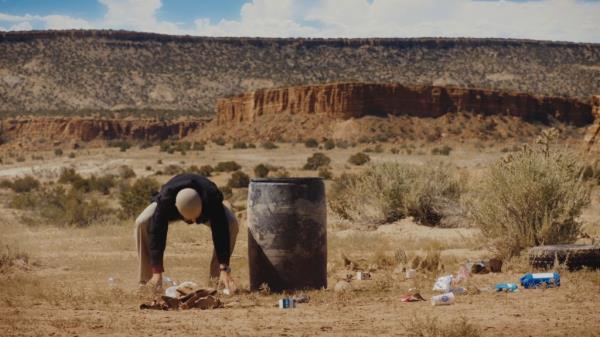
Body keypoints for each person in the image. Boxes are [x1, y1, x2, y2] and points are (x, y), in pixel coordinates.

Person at [135, 173, 238, 292]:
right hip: (169, 204)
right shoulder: (166, 200)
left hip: (209, 205)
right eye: (189, 219)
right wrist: (157, 271)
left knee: (231, 223)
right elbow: (157, 233)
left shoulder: (212, 198)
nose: (193, 222)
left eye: (195, 218)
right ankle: (149, 281)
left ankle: (218, 281)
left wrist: (224, 268)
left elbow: (221, 231)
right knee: (142, 222)